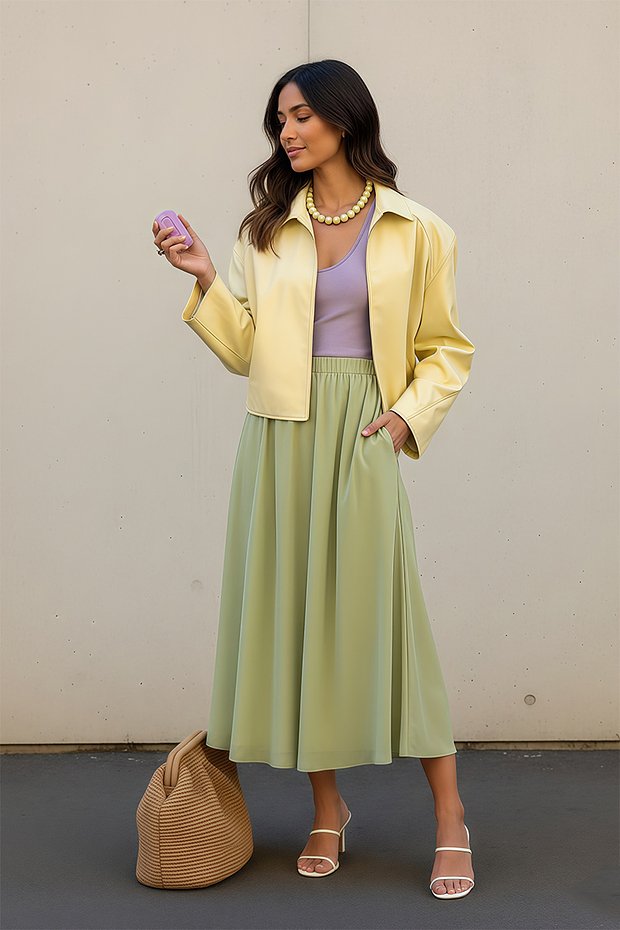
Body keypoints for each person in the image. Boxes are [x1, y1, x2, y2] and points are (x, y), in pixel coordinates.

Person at [152, 59, 476, 898]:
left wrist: (404, 419)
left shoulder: (418, 228)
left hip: (362, 428)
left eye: (300, 115)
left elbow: (447, 348)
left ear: (344, 117)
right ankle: (327, 810)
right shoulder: (267, 230)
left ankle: (450, 817)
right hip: (278, 437)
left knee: (392, 622)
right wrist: (205, 277)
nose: (287, 131)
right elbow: (245, 351)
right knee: (300, 622)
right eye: (280, 120)